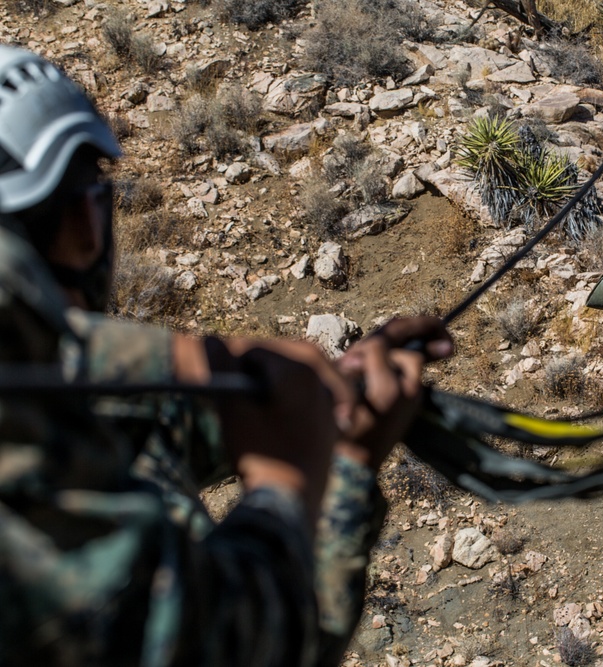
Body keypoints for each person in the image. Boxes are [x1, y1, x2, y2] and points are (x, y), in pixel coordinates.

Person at [0, 44, 452, 665]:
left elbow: (106, 391)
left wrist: (256, 378)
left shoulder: (36, 381)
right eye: (77, 217)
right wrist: (315, 477)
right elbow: (240, 640)